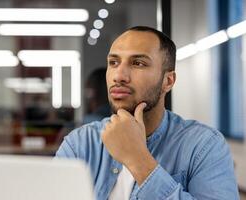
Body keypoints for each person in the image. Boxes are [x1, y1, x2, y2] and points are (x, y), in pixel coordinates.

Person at [56, 26, 239, 199]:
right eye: (113, 62)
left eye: (138, 63)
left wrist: (138, 159)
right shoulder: (79, 144)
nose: (118, 75)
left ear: (168, 81)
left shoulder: (204, 146)